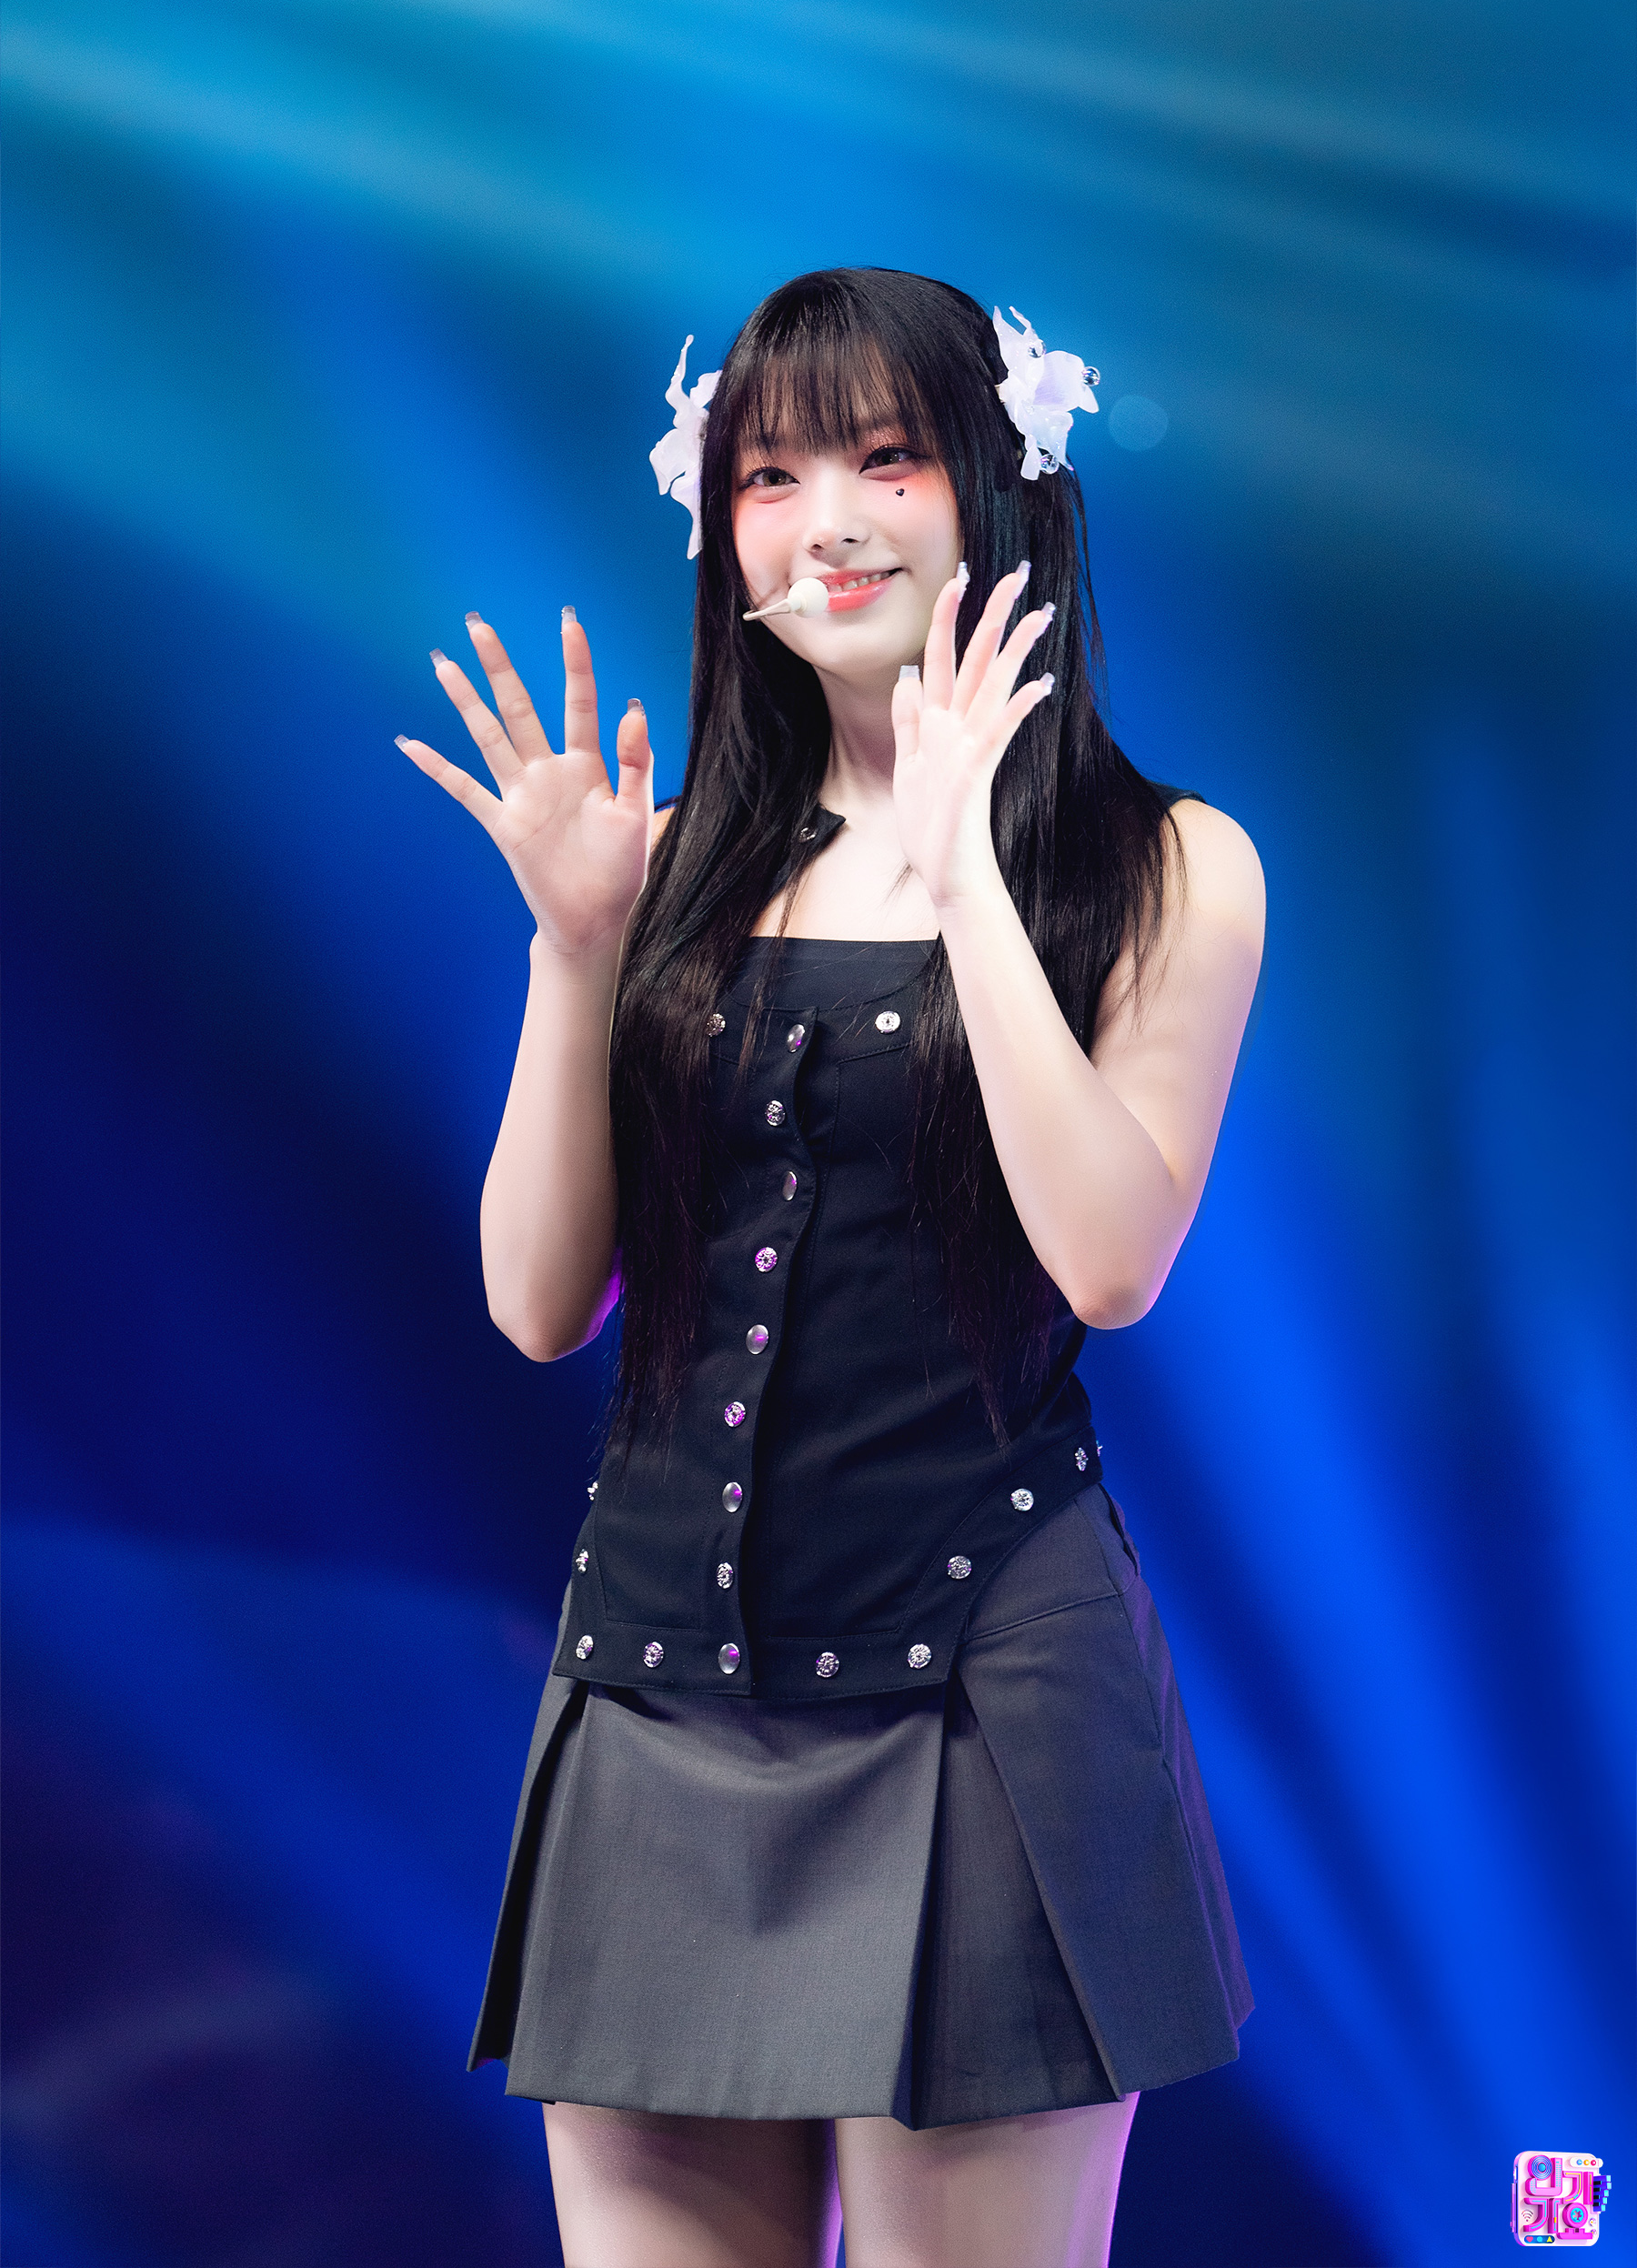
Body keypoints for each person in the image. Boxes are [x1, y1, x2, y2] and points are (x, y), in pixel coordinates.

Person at [397, 268, 1265, 2268]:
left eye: (887, 458)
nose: (832, 522)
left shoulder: (1165, 865)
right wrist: (574, 953)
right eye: (772, 475)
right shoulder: (674, 859)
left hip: (981, 1696)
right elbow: (537, 1304)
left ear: (998, 486)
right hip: (657, 1692)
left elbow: (1111, 1262)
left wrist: (964, 877)